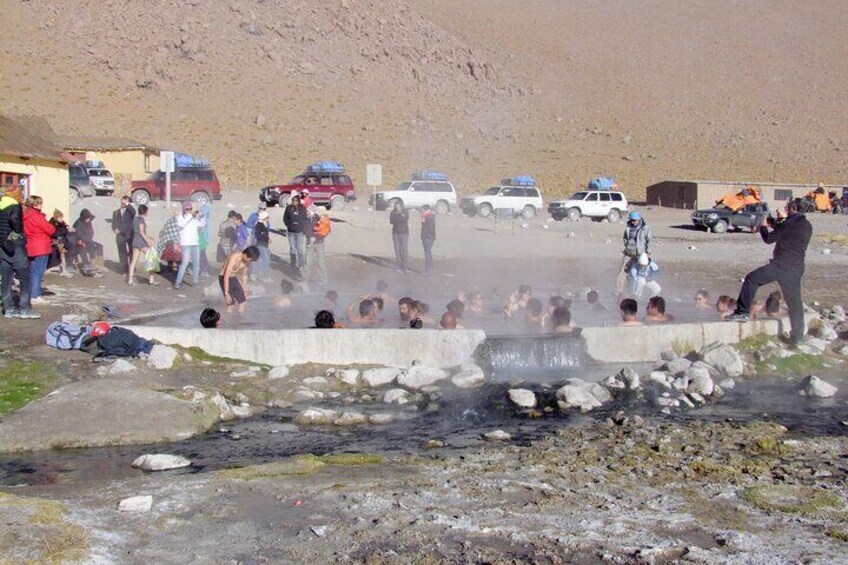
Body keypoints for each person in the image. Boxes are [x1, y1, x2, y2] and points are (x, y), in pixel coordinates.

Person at [726, 198, 813, 344]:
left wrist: (763, 226)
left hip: (781, 265)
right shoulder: (806, 225)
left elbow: (769, 238)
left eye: (787, 207)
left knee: (752, 279)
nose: (785, 208)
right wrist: (778, 222)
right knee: (794, 302)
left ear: (793, 208)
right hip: (796, 267)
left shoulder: (789, 224)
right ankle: (797, 336)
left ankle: (741, 312)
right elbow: (786, 232)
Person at [1, 186, 40, 319]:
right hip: (15, 246)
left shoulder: (1, 203)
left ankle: (8, 308)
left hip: (2, 246)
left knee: (6, 278)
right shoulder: (14, 205)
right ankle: (25, 309)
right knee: (24, 277)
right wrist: (18, 233)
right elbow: (15, 220)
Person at [23, 196, 56, 304]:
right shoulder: (36, 216)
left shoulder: (25, 215)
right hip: (41, 246)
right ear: (35, 204)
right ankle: (35, 295)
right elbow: (50, 229)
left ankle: (31, 293)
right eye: (40, 203)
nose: (42, 205)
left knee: (32, 271)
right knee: (38, 272)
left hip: (30, 245)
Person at [616, 211, 653, 297]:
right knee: (623, 272)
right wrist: (627, 245)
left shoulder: (645, 228)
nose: (633, 222)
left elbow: (649, 240)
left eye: (635, 220)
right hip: (629, 253)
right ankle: (618, 291)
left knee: (639, 273)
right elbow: (625, 237)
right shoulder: (628, 227)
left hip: (640, 254)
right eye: (632, 220)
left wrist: (648, 252)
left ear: (639, 219)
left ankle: (637, 293)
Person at [174, 201, 206, 290]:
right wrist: (191, 217)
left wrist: (201, 217)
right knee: (184, 263)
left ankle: (195, 282)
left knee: (196, 264)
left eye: (190, 209)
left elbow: (202, 226)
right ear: (184, 210)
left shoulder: (194, 218)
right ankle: (178, 282)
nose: (189, 211)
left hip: (195, 244)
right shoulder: (180, 217)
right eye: (187, 209)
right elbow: (182, 225)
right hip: (186, 244)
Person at [220, 245, 259, 312]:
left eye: (251, 260)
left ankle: (240, 320)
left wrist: (245, 291)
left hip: (233, 278)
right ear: (245, 254)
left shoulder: (247, 261)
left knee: (243, 302)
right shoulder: (234, 258)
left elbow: (244, 275)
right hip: (224, 278)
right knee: (230, 304)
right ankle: (228, 320)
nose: (250, 261)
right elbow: (226, 276)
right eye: (250, 259)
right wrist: (226, 293)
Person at [127, 204, 157, 285]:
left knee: (133, 261)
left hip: (135, 241)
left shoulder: (135, 218)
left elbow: (138, 232)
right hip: (141, 242)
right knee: (150, 259)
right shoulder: (141, 220)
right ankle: (151, 279)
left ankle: (130, 279)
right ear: (144, 212)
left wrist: (149, 237)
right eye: (147, 211)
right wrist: (148, 241)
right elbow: (141, 232)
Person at [72, 209, 103, 277]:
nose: (88, 220)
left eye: (89, 218)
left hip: (87, 240)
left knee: (98, 246)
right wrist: (83, 241)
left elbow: (91, 233)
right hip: (78, 242)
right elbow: (78, 234)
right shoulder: (78, 223)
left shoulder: (89, 223)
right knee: (82, 249)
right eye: (87, 218)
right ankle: (85, 265)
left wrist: (88, 240)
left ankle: (95, 264)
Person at [304, 208, 331, 286]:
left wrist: (321, 236)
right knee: (307, 262)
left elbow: (328, 228)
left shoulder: (318, 218)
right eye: (306, 211)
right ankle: (304, 279)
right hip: (309, 243)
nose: (307, 212)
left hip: (319, 243)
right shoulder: (304, 219)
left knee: (321, 262)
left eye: (308, 211)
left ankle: (323, 280)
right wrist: (310, 236)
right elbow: (305, 229)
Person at [283, 194, 308, 273]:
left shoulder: (302, 208)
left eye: (296, 200)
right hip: (291, 232)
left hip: (300, 232)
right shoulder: (288, 208)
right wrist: (289, 225)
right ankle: (293, 264)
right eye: (293, 200)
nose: (294, 202)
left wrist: (303, 228)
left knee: (300, 249)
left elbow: (305, 219)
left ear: (299, 201)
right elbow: (285, 218)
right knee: (292, 249)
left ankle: (301, 265)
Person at [111, 195, 135, 276]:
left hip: (130, 234)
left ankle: (132, 269)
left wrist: (127, 204)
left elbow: (134, 212)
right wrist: (114, 229)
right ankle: (124, 270)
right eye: (122, 201)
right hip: (120, 235)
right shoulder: (116, 212)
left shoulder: (130, 211)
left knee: (131, 252)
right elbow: (113, 223)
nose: (122, 203)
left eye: (124, 201)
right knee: (122, 253)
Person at [48, 210, 73, 278]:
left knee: (71, 246)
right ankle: (57, 265)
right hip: (54, 241)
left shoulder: (63, 224)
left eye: (62, 217)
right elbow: (53, 233)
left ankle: (68, 265)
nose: (61, 219)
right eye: (60, 218)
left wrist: (68, 230)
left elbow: (64, 233)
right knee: (58, 248)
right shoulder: (52, 223)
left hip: (62, 240)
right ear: (56, 217)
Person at [157, 208, 182, 274]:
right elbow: (179, 231)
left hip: (168, 241)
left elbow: (164, 230)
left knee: (170, 257)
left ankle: (170, 270)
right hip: (176, 242)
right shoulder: (178, 221)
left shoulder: (169, 221)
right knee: (178, 257)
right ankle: (179, 270)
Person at [390, 200, 410, 273]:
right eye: (396, 206)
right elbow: (391, 221)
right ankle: (399, 266)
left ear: (401, 206)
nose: (397, 208)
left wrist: (399, 215)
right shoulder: (392, 212)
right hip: (395, 233)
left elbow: (405, 219)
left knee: (404, 250)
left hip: (404, 233)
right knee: (397, 250)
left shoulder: (405, 212)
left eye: (398, 206)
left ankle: (405, 267)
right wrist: (398, 218)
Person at [251, 210, 271, 282]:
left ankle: (259, 274)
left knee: (263, 260)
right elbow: (258, 235)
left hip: (264, 245)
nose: (269, 219)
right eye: (267, 217)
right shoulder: (259, 225)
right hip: (260, 245)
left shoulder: (265, 224)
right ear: (264, 218)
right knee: (266, 260)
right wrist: (267, 238)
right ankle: (262, 275)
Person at [420, 204, 436, 275]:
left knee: (427, 254)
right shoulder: (425, 216)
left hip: (428, 238)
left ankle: (428, 270)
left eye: (422, 209)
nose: (421, 210)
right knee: (427, 253)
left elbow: (431, 228)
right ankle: (429, 269)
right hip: (426, 237)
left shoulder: (429, 217)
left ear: (425, 209)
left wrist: (428, 237)